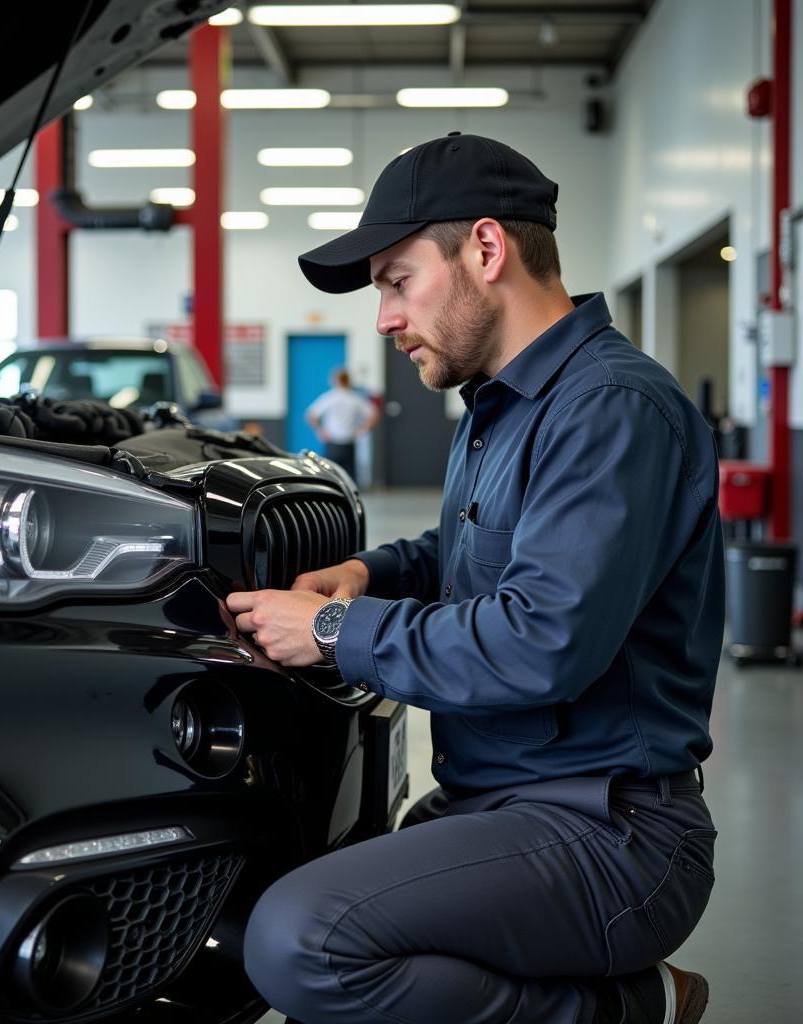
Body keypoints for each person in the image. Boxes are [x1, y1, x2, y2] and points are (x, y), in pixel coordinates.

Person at [226, 132, 723, 1024]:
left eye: (395, 280)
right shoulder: (499, 407)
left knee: (298, 939)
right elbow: (467, 554)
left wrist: (334, 632)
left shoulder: (611, 409)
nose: (383, 317)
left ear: (486, 250)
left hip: (611, 834)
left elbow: (541, 641)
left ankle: (626, 1011)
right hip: (498, 800)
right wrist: (363, 571)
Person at [305, 368, 380, 480]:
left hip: (332, 443)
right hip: (349, 443)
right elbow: (374, 413)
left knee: (330, 476)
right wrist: (363, 429)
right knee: (349, 478)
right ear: (348, 381)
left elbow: (311, 415)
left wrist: (320, 431)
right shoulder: (355, 398)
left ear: (335, 381)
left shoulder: (329, 397)